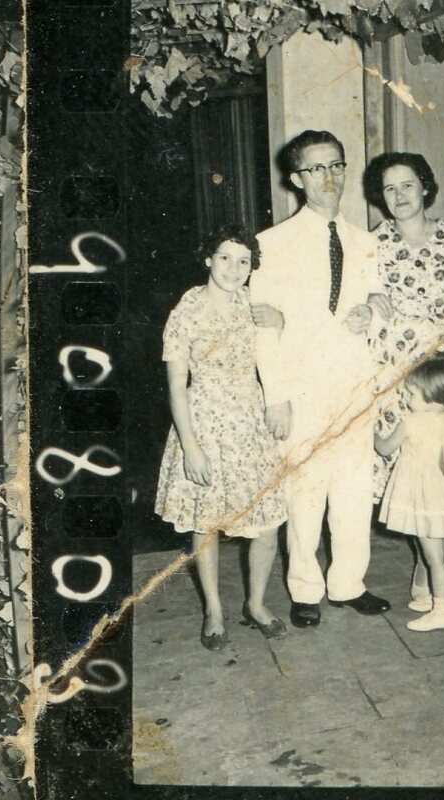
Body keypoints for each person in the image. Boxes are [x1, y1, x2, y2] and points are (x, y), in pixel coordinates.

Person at [250, 129, 391, 628]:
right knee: (305, 492)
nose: (329, 177)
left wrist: (372, 313)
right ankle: (305, 589)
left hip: (352, 384)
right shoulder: (271, 244)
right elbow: (264, 328)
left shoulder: (365, 241)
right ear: (296, 179)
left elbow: (380, 302)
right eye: (316, 168)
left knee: (353, 488)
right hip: (302, 387)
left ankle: (349, 583)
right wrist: (276, 397)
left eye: (336, 166)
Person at [155, 225, 287, 650]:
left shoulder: (255, 304)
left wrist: (282, 321)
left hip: (251, 423)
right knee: (207, 522)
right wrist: (190, 445)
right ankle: (213, 609)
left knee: (267, 523)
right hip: (205, 424)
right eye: (225, 258)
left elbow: (282, 353)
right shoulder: (187, 310)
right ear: (208, 259)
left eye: (244, 261)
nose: (234, 268)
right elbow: (176, 385)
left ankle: (256, 603)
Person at [363, 152, 444, 611]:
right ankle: (425, 559)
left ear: (425, 187)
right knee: (410, 469)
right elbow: (355, 299)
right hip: (395, 375)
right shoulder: (371, 243)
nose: (399, 196)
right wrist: (367, 299)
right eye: (389, 189)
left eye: (407, 185)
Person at [377, 357, 444, 631]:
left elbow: (385, 448)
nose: (406, 397)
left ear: (432, 399)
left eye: (412, 394)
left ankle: (442, 611)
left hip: (424, 498)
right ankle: (435, 598)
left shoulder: (411, 422)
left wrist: (372, 434)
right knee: (442, 551)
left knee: (435, 559)